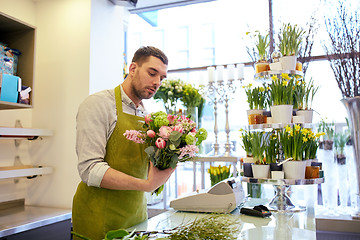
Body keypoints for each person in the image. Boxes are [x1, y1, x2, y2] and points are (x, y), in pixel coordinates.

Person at [72, 46, 175, 240]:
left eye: (162, 78)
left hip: (136, 217)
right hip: (98, 218)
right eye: (152, 73)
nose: (156, 82)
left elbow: (141, 167)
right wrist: (146, 184)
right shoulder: (98, 104)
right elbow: (90, 169)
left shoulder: (147, 116)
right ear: (133, 68)